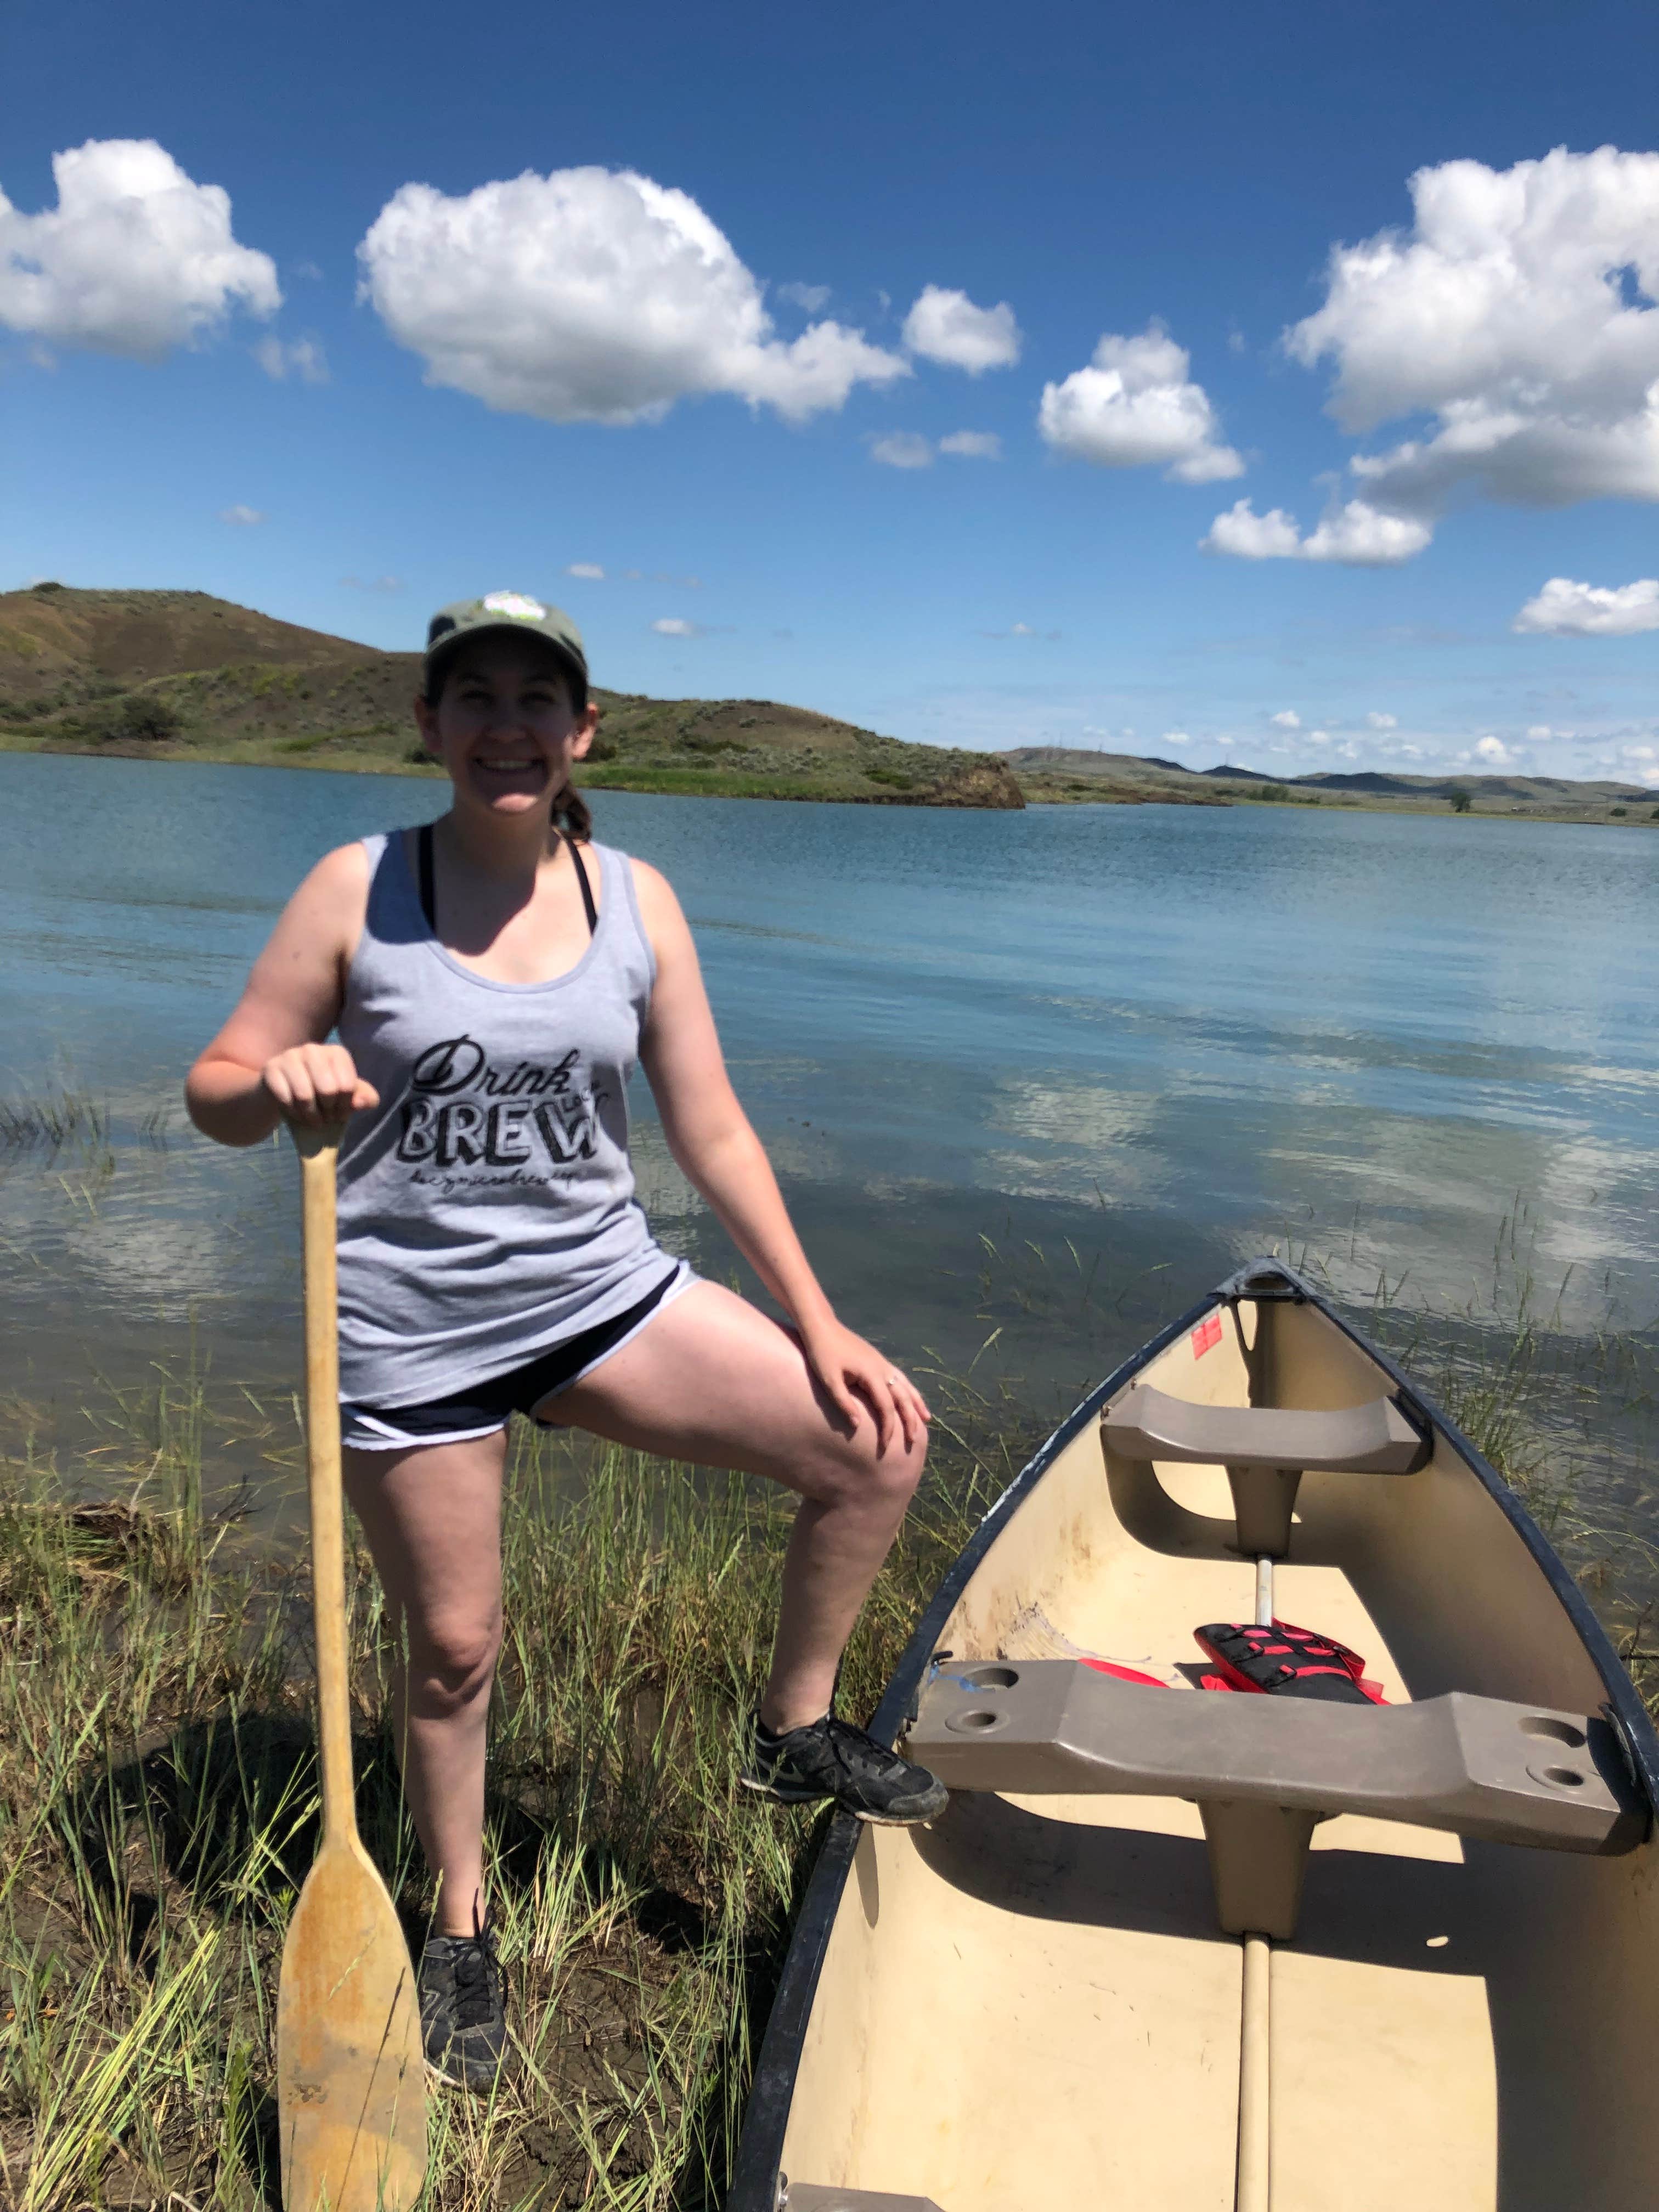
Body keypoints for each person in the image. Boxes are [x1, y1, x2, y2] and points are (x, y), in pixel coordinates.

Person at [184, 591, 946, 2090]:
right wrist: (276, 1082)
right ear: (431, 727)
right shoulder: (358, 888)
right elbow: (212, 1086)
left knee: (874, 1442)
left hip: (601, 1296)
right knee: (457, 1648)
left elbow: (710, 1124)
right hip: (408, 1329)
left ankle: (792, 1730)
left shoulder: (636, 899)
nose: (508, 725)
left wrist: (820, 1318)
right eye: (476, 698)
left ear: (581, 731)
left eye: (540, 699)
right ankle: (462, 1928)